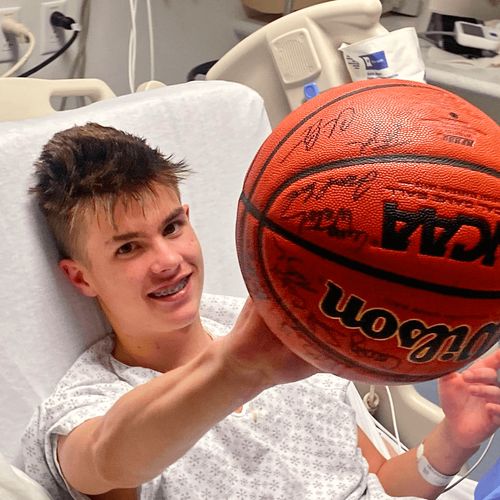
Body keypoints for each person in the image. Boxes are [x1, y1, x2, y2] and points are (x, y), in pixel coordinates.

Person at [22, 123, 500, 500]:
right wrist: (238, 369)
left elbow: (376, 483)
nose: (168, 261)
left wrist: (455, 439)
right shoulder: (86, 403)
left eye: (171, 227)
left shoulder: (280, 325)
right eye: (128, 248)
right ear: (81, 277)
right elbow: (108, 455)